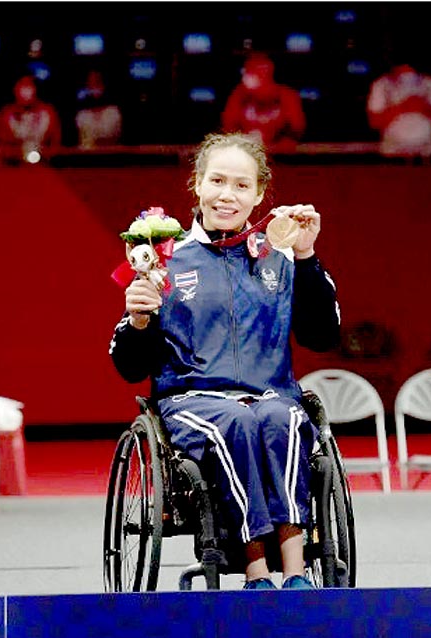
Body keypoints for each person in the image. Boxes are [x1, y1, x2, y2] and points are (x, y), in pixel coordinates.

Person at [109, 132, 341, 590]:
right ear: (197, 184)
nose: (227, 195)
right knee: (236, 422)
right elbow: (130, 366)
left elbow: (322, 335)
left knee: (283, 419)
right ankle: (256, 571)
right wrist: (138, 320)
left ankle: (296, 573)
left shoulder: (281, 256)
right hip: (193, 401)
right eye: (217, 181)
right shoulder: (164, 259)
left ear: (259, 193)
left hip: (271, 396)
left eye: (241, 185)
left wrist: (306, 254)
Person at [221, 52, 306, 153]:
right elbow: (229, 129)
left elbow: (296, 131)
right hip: (247, 155)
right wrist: (245, 141)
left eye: (253, 73)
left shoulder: (288, 97)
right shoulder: (238, 96)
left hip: (281, 157)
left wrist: (279, 144)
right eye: (247, 72)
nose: (246, 78)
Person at [366, 57, 431, 158]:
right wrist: (403, 107)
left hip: (424, 153)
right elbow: (374, 122)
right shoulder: (381, 84)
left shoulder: (430, 83)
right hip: (393, 153)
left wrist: (423, 108)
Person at [0, 75, 62, 164]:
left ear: (35, 89)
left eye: (28, 87)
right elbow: (0, 143)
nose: (25, 92)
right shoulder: (6, 113)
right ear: (15, 90)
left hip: (43, 164)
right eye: (22, 87)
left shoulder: (48, 112)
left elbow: (55, 143)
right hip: (14, 164)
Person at [74, 70, 122, 149]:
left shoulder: (113, 112)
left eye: (97, 83)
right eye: (90, 84)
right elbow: (85, 142)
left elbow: (114, 139)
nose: (94, 88)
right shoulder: (82, 116)